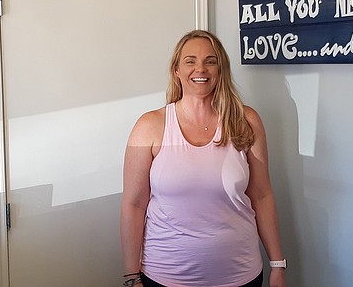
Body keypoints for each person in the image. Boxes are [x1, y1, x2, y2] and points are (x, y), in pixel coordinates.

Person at [120, 30, 285, 287]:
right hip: (165, 277)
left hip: (240, 275)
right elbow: (134, 204)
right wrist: (131, 276)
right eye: (190, 61)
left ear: (221, 69)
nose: (201, 69)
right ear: (176, 70)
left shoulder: (246, 121)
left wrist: (278, 265)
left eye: (210, 61)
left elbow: (262, 195)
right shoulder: (149, 126)